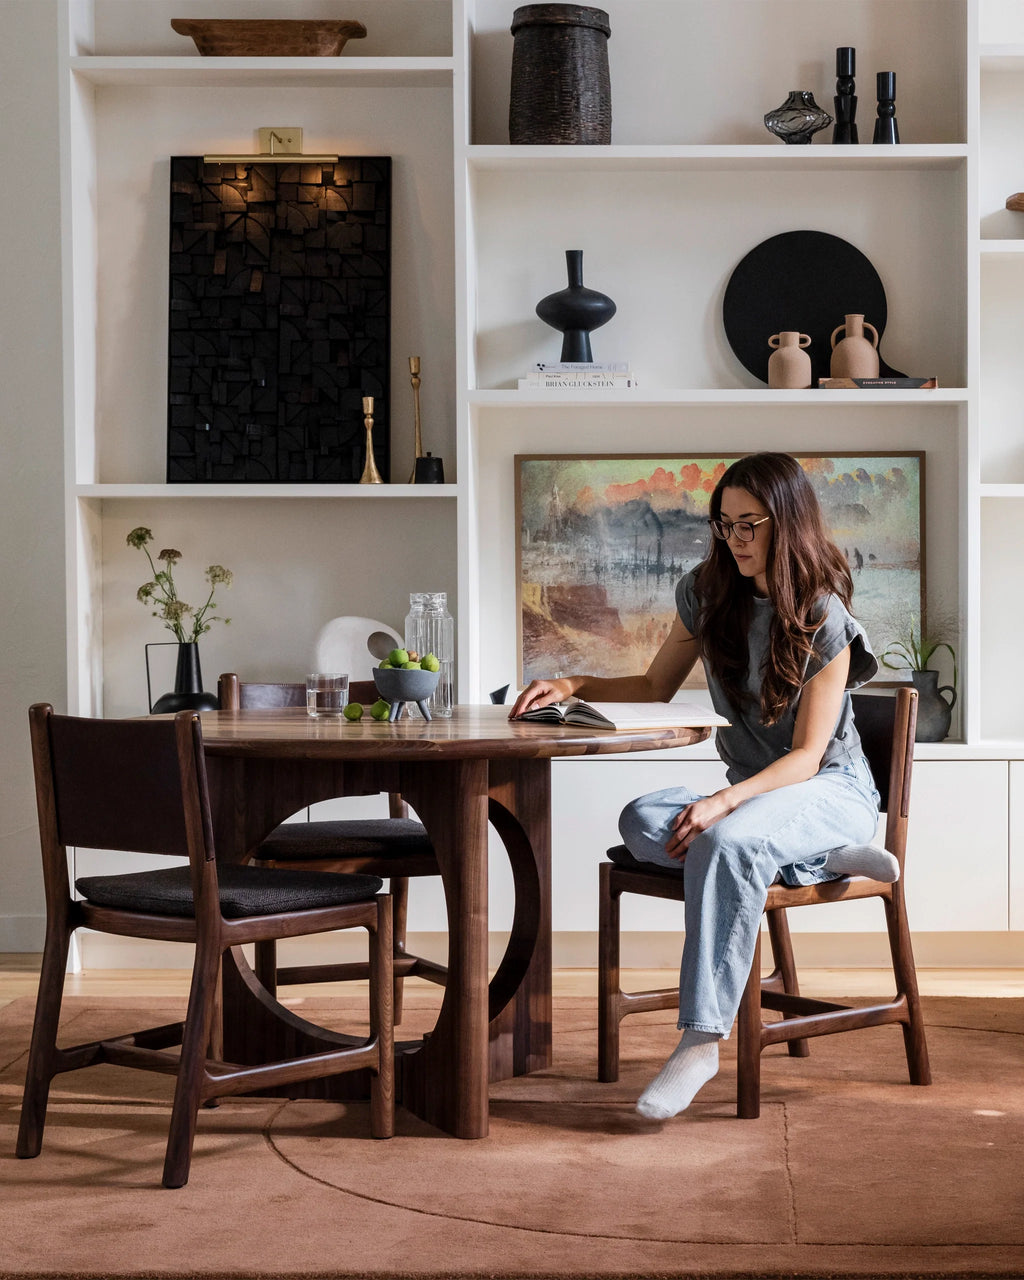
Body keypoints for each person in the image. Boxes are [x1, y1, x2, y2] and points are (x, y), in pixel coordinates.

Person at [510, 452, 898, 1120]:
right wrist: (571, 683)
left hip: (830, 791)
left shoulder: (823, 615)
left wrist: (725, 800)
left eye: (751, 525)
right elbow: (652, 686)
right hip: (759, 804)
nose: (736, 539)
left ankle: (700, 1040)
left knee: (723, 841)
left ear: (788, 522)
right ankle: (815, 860)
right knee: (642, 819)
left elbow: (808, 758)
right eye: (725, 524)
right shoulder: (706, 591)